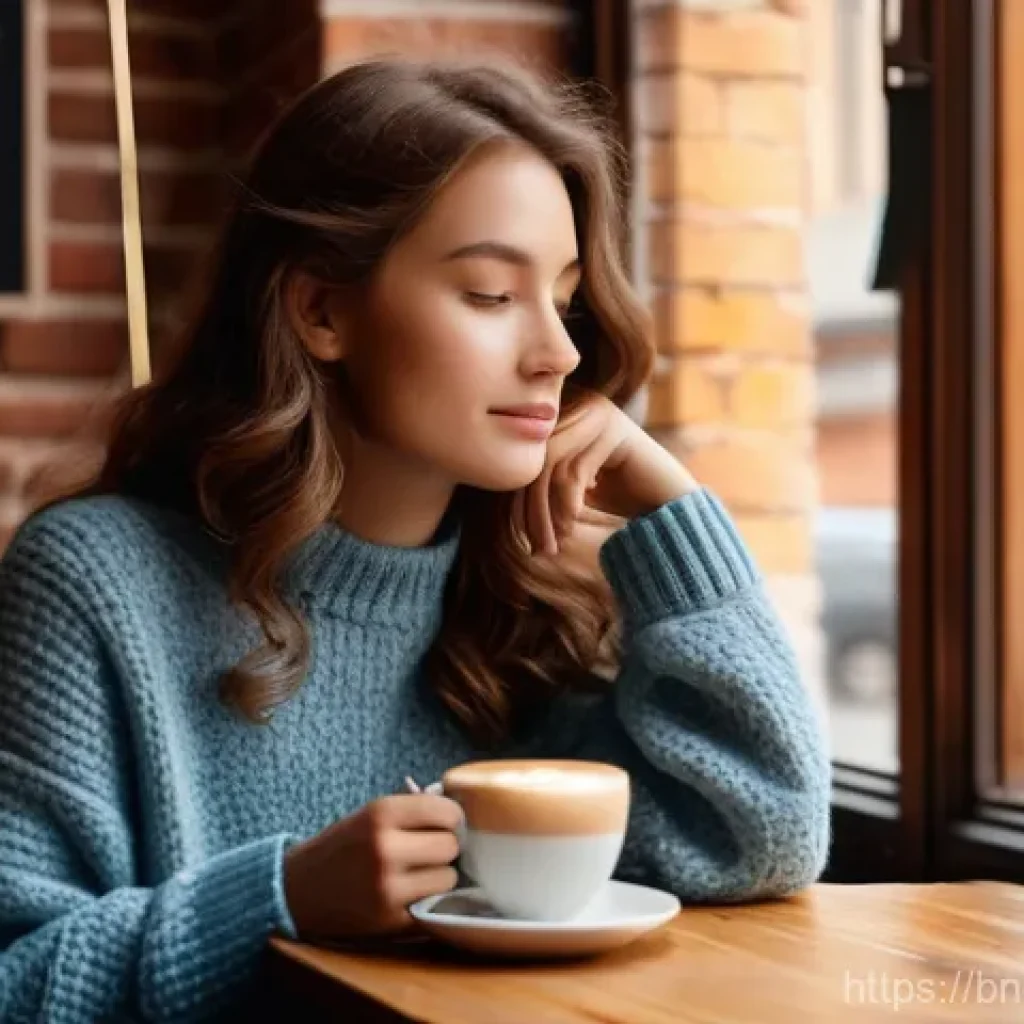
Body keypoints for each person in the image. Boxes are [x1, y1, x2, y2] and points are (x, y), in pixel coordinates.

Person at [0, 57, 830, 1022]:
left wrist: (674, 514)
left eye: (563, 300)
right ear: (319, 310)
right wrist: (282, 902)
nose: (559, 352)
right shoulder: (94, 581)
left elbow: (759, 836)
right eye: (488, 294)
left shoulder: (526, 605)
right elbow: (18, 981)